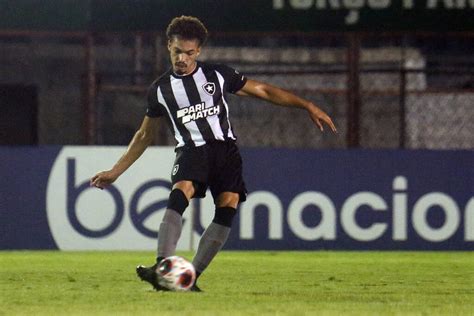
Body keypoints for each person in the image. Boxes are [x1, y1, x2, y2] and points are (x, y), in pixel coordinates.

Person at [90, 15, 337, 292]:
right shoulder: (159, 90)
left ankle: (188, 278)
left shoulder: (217, 75)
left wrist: (307, 105)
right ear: (167, 47)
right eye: (176, 52)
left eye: (189, 53)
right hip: (191, 149)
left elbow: (263, 90)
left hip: (225, 150)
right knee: (181, 189)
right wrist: (115, 172)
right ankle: (163, 268)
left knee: (228, 205)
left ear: (199, 51)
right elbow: (144, 135)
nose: (182, 58)